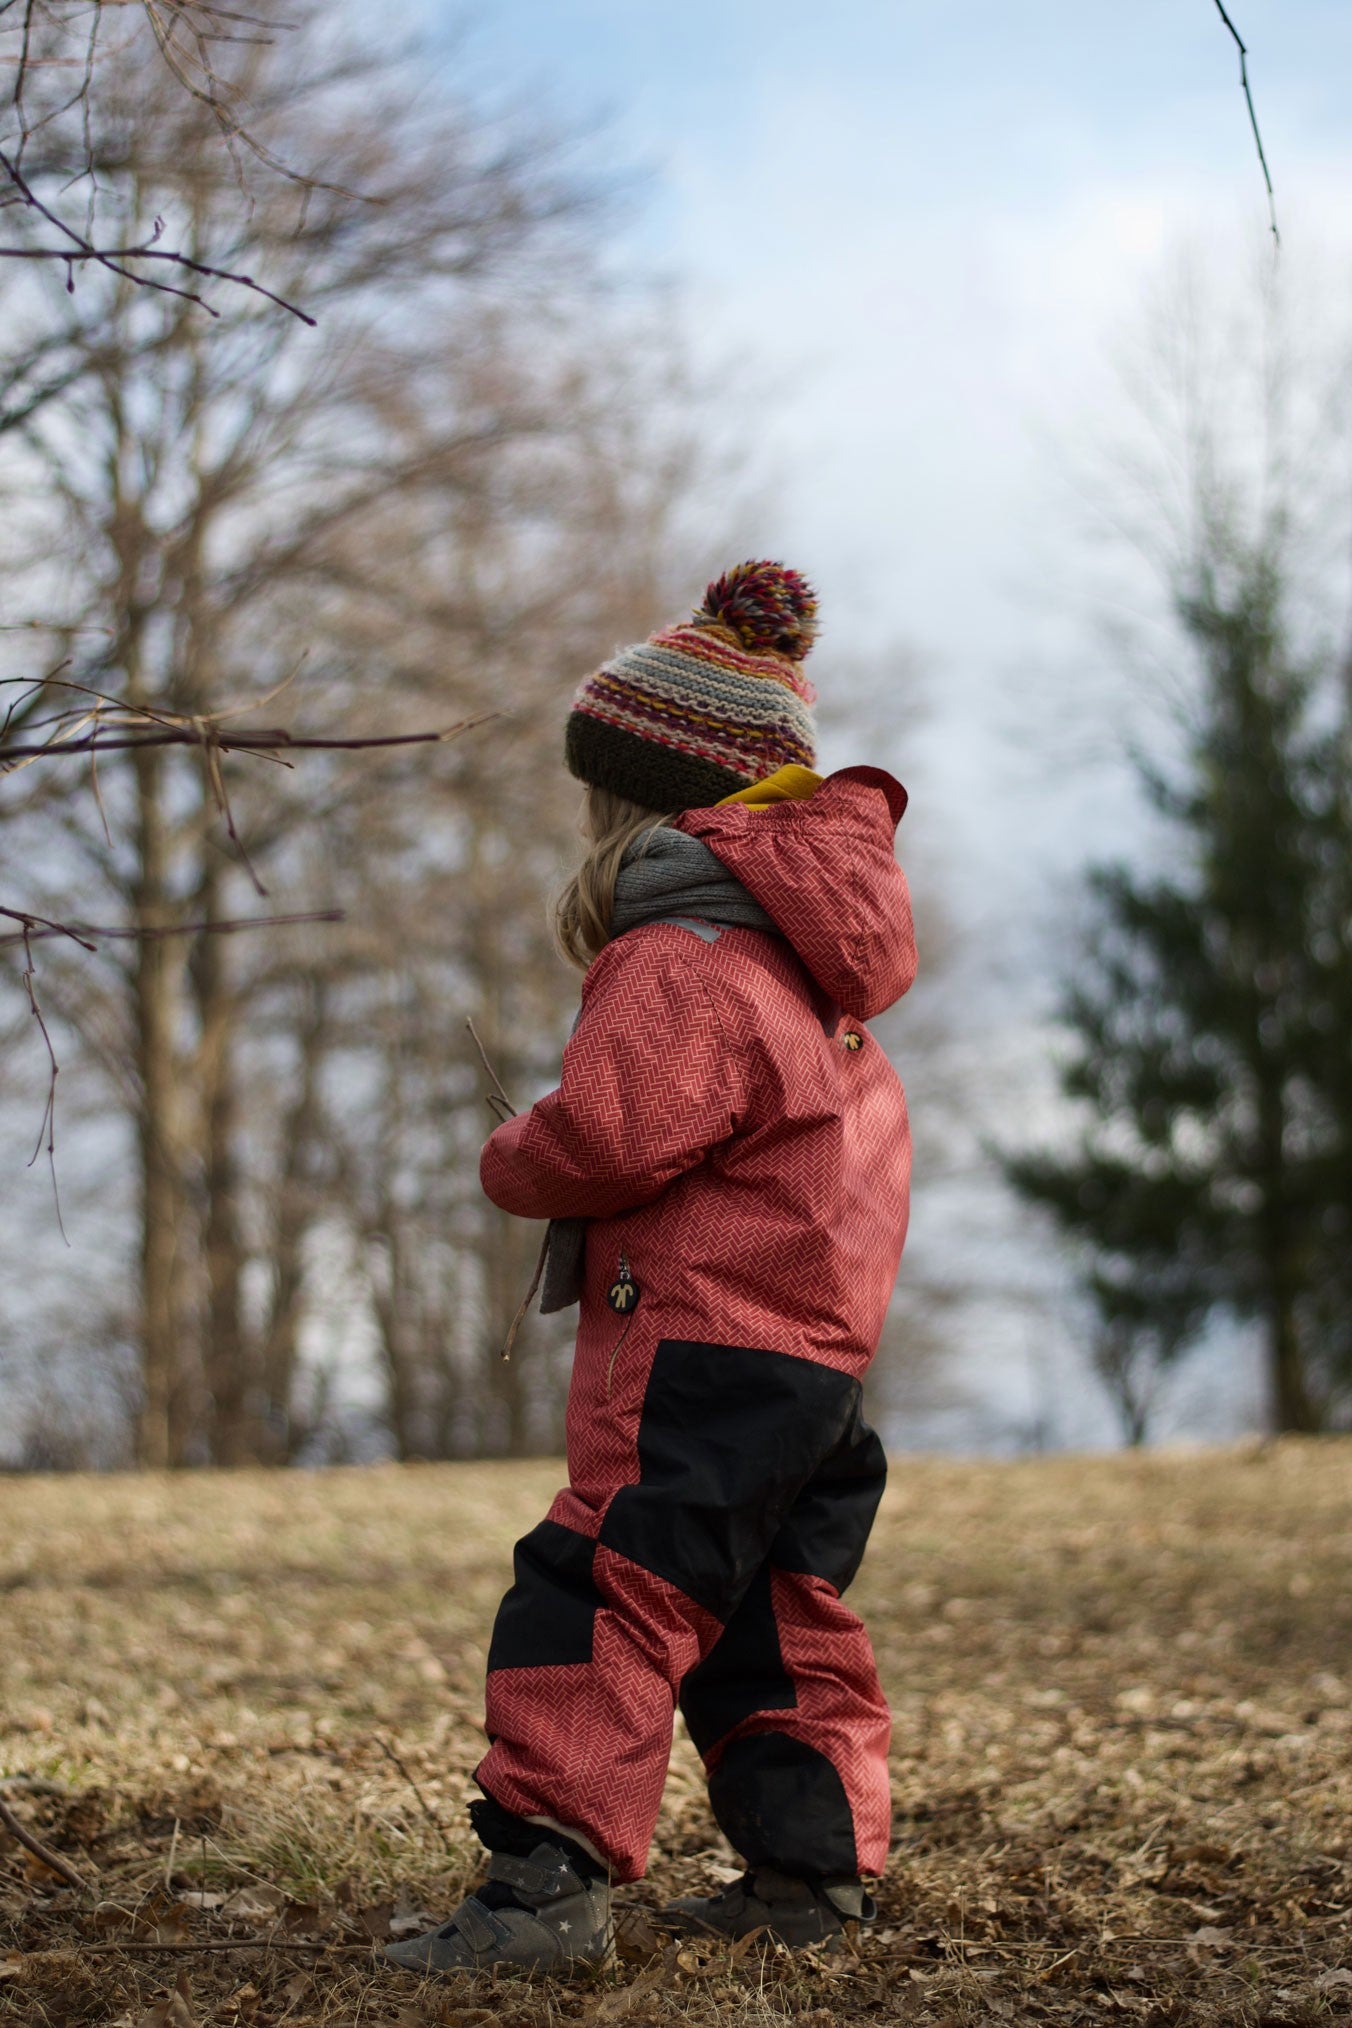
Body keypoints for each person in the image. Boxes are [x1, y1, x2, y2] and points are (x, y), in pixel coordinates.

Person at [387, 560, 917, 1976]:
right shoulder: (820, 981)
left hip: (692, 1346)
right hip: (813, 1366)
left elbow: (616, 1131)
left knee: (599, 1582)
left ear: (636, 795)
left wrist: (520, 1157)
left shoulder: (679, 952)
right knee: (771, 1615)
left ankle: (543, 1896)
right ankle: (811, 1879)